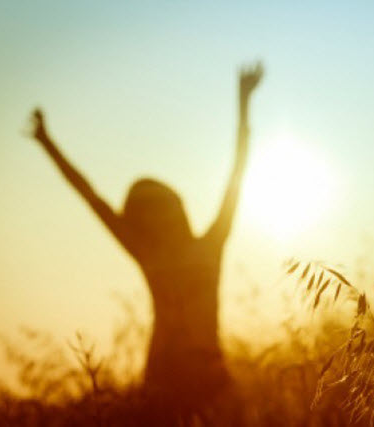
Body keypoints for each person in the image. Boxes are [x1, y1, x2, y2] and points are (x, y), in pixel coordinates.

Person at [28, 63, 263, 422]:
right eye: (152, 210)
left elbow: (238, 172)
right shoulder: (177, 249)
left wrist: (244, 102)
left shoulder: (200, 245)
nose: (163, 214)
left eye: (163, 205)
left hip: (202, 375)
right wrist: (47, 143)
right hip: (167, 376)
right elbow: (89, 195)